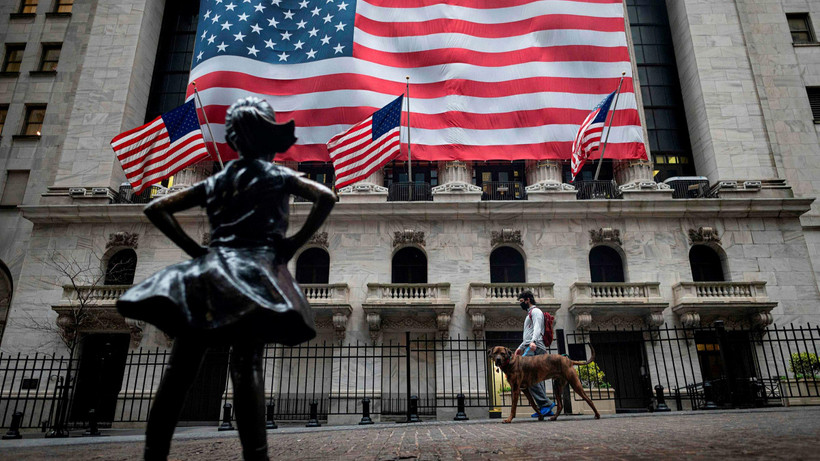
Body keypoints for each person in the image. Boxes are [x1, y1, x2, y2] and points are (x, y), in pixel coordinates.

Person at [117, 97, 336, 461]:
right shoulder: (277, 175)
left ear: (235, 140)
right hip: (253, 274)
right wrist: (294, 244)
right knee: (247, 365)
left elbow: (157, 207)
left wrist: (196, 252)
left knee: (178, 371)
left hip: (209, 274)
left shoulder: (219, 179)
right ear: (268, 138)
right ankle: (256, 455)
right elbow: (325, 196)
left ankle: (154, 455)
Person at [515, 290, 556, 418]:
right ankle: (546, 408)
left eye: (521, 301)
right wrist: (520, 347)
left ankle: (545, 404)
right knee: (538, 377)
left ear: (528, 299)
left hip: (535, 347)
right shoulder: (529, 314)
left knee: (528, 376)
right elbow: (528, 333)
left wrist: (532, 342)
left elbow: (538, 328)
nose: (520, 304)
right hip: (531, 346)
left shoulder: (536, 311)